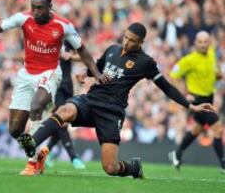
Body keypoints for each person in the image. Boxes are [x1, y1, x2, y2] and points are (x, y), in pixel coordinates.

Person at [17, 22, 214, 179]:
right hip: (92, 100)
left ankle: (134, 168)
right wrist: (86, 73)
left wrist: (190, 106)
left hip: (112, 111)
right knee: (64, 111)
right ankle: (32, 143)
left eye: (132, 40)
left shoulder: (146, 62)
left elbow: (166, 86)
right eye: (126, 37)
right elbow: (98, 67)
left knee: (110, 168)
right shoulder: (112, 49)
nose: (127, 42)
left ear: (141, 42)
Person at [0, 0, 109, 176]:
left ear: (49, 8)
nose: (36, 12)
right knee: (15, 130)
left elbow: (83, 50)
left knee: (36, 107)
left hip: (50, 72)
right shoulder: (23, 19)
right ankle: (36, 154)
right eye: (33, 7)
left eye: (40, 8)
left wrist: (96, 73)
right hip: (26, 74)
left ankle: (32, 164)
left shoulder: (63, 26)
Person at [168, 31, 224, 172]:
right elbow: (173, 74)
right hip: (197, 100)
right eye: (200, 41)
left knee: (197, 129)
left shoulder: (212, 54)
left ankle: (177, 153)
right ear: (195, 43)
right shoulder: (189, 60)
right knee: (217, 127)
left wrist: (217, 76)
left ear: (209, 43)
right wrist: (185, 93)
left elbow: (213, 73)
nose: (203, 44)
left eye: (205, 41)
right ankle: (223, 163)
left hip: (209, 97)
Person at [44, 42, 86, 170]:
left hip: (67, 86)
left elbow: (83, 55)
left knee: (62, 122)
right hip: (54, 87)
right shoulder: (48, 44)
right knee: (61, 121)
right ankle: (74, 157)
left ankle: (46, 153)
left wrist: (70, 56)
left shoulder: (68, 42)